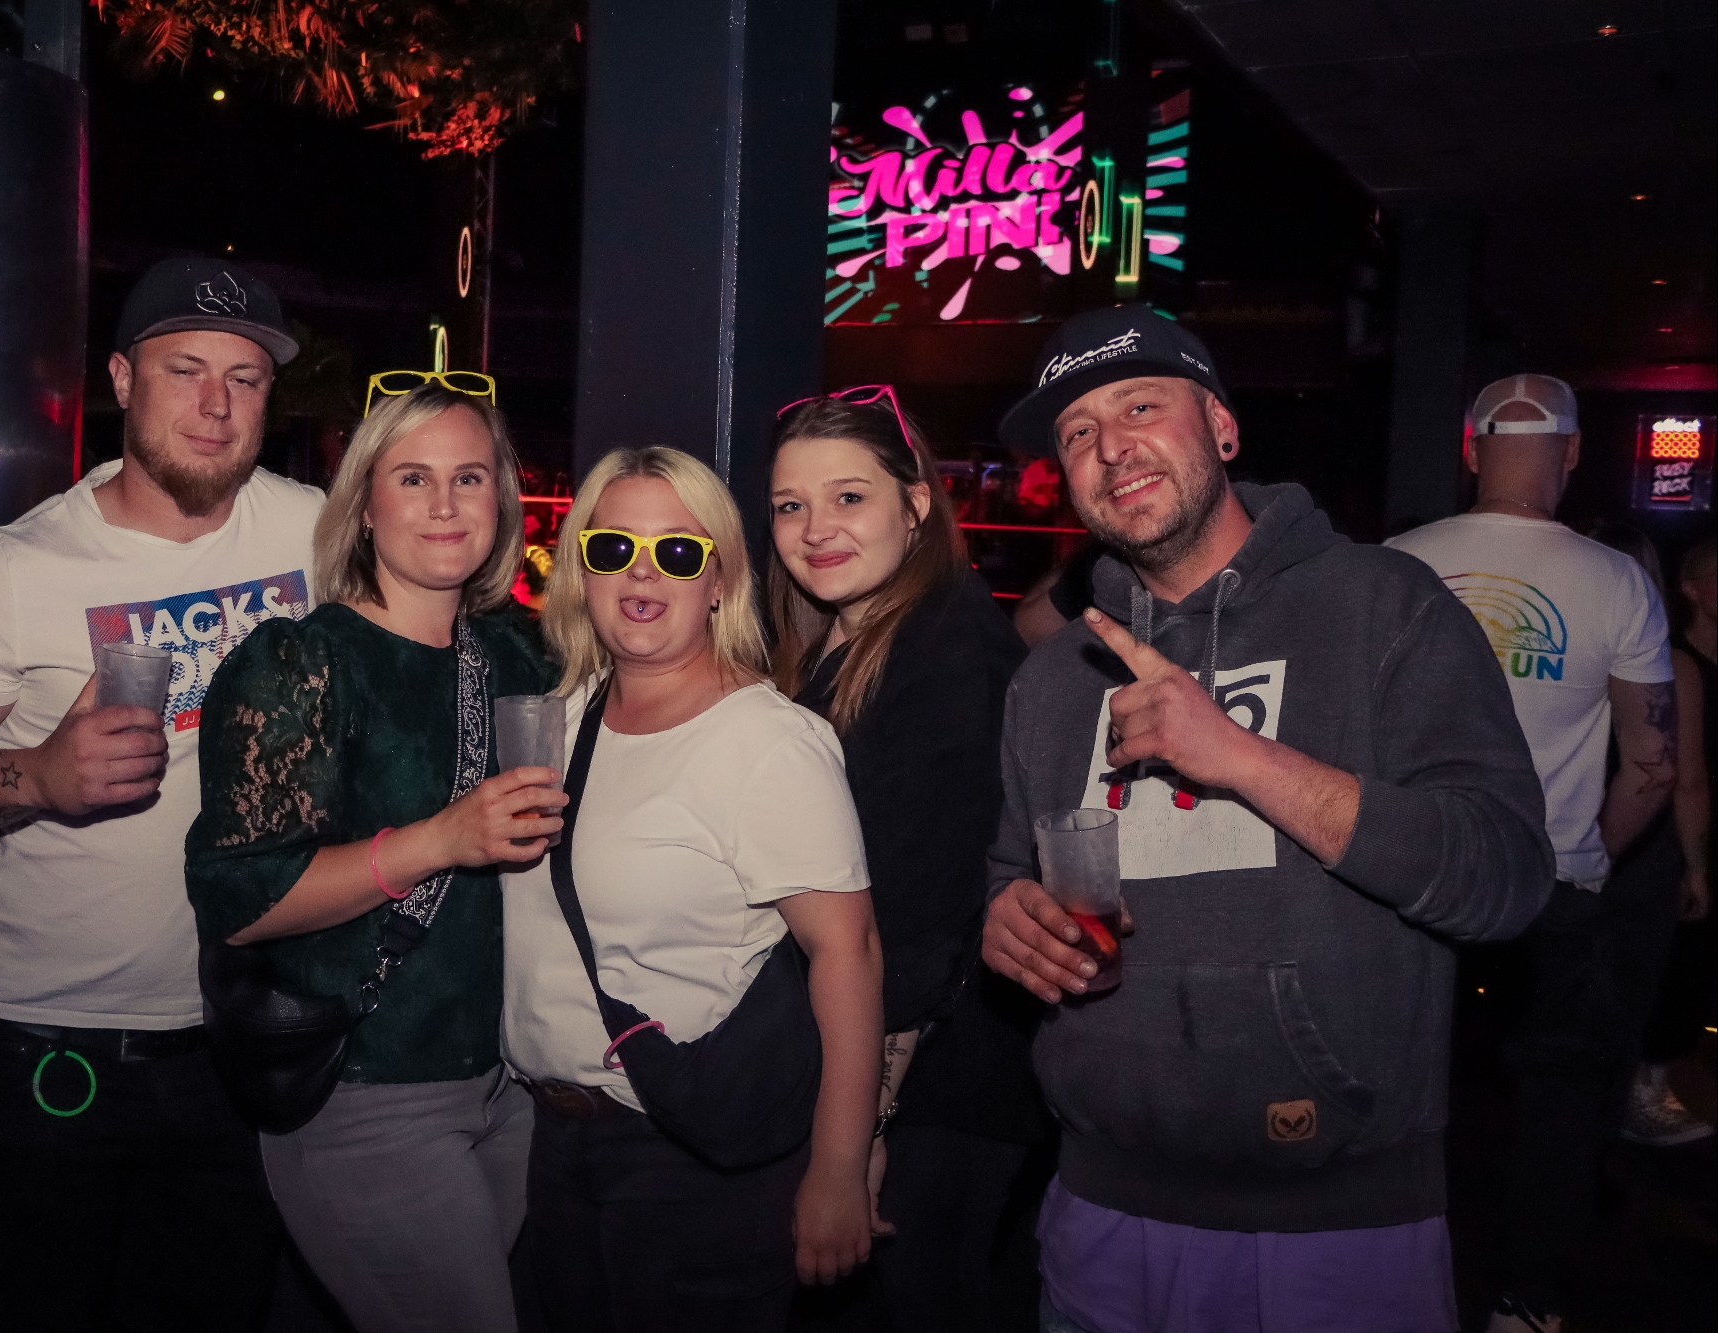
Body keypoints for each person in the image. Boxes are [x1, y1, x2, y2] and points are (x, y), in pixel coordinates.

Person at [981, 305, 1552, 1333]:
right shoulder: (1054, 678)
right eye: (1077, 433)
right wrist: (1008, 916)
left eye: (1140, 407)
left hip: (1335, 1225)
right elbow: (1009, 868)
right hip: (1099, 1206)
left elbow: (1503, 877)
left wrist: (1238, 755)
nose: (1110, 446)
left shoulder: (1383, 605)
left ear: (1221, 426)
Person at [0, 258, 321, 1333]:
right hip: (47, 1052)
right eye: (185, 370)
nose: (215, 404)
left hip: (241, 1041)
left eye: (245, 378)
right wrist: (41, 777)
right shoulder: (20, 570)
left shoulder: (315, 530)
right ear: (120, 379)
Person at [184, 382, 558, 1333]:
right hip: (369, 1087)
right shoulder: (302, 663)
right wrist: (443, 838)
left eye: (469, 477)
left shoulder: (519, 657)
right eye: (413, 478)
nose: (445, 504)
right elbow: (241, 900)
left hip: (510, 1084)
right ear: (364, 505)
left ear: (501, 498)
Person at [502, 446, 884, 1333]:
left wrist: (837, 1171)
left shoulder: (768, 742)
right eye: (613, 548)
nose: (642, 572)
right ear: (580, 570)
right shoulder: (559, 718)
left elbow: (849, 953)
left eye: (677, 552)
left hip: (690, 1156)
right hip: (551, 1144)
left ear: (719, 581)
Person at [1388, 375, 1681, 1333]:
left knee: (1402, 1093)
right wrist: (1587, 851)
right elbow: (1652, 765)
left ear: (1471, 449)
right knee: (1554, 1102)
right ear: (1575, 453)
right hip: (1552, 884)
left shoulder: (1396, 564)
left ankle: (1379, 1283)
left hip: (1415, 880)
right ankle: (1526, 1298)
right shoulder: (1617, 580)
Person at [766, 390, 1042, 1331]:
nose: (816, 529)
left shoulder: (944, 649)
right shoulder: (846, 638)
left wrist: (858, 1139)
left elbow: (918, 920)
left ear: (916, 504)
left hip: (942, 1085)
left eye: (849, 497)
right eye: (791, 505)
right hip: (898, 1070)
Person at [1580, 523, 1711, 1147]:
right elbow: (1679, 777)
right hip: (1635, 846)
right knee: (1625, 997)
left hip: (1565, 834)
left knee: (1571, 998)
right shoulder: (1665, 661)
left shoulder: (1556, 651)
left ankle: (1577, 1128)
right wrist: (1696, 865)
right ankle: (1613, 1121)